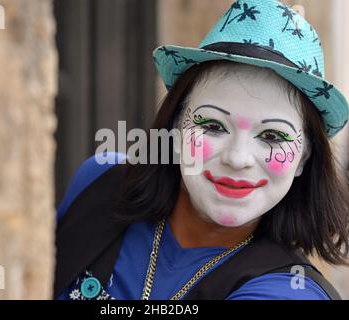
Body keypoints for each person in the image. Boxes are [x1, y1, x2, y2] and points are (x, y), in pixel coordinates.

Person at [54, 0, 349, 300]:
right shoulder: (99, 181)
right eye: (213, 125)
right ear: (176, 125)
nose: (237, 159)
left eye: (273, 136)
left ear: (304, 157)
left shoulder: (290, 293)